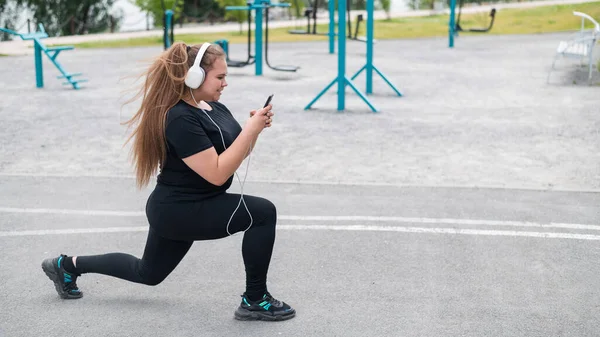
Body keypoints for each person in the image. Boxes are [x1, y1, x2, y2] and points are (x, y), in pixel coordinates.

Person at [41, 42, 296, 322]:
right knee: (262, 213)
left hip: (190, 204)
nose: (226, 83)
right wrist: (250, 130)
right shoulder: (179, 119)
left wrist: (254, 130)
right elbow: (217, 173)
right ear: (194, 77)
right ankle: (255, 300)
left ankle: (66, 266)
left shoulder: (213, 107)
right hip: (179, 210)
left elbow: (234, 154)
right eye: (220, 77)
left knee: (147, 273)